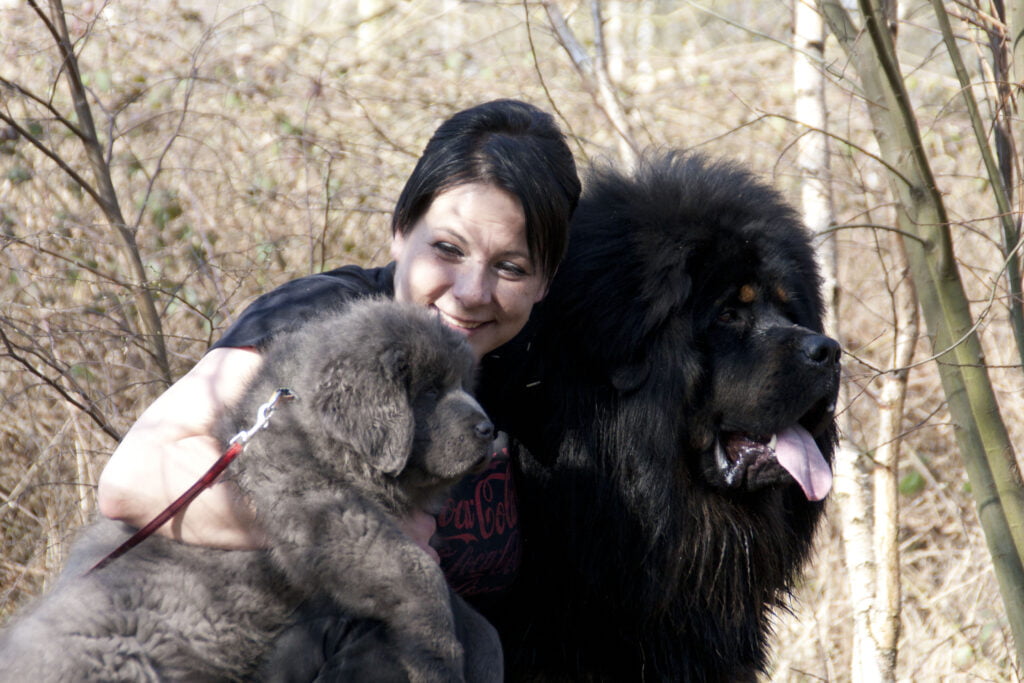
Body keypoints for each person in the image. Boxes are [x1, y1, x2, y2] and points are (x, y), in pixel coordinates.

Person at [96, 98, 581, 680]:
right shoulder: (323, 329)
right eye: (447, 249)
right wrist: (366, 540)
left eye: (511, 267)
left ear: (547, 280)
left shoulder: (543, 365)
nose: (472, 291)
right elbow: (132, 479)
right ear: (400, 232)